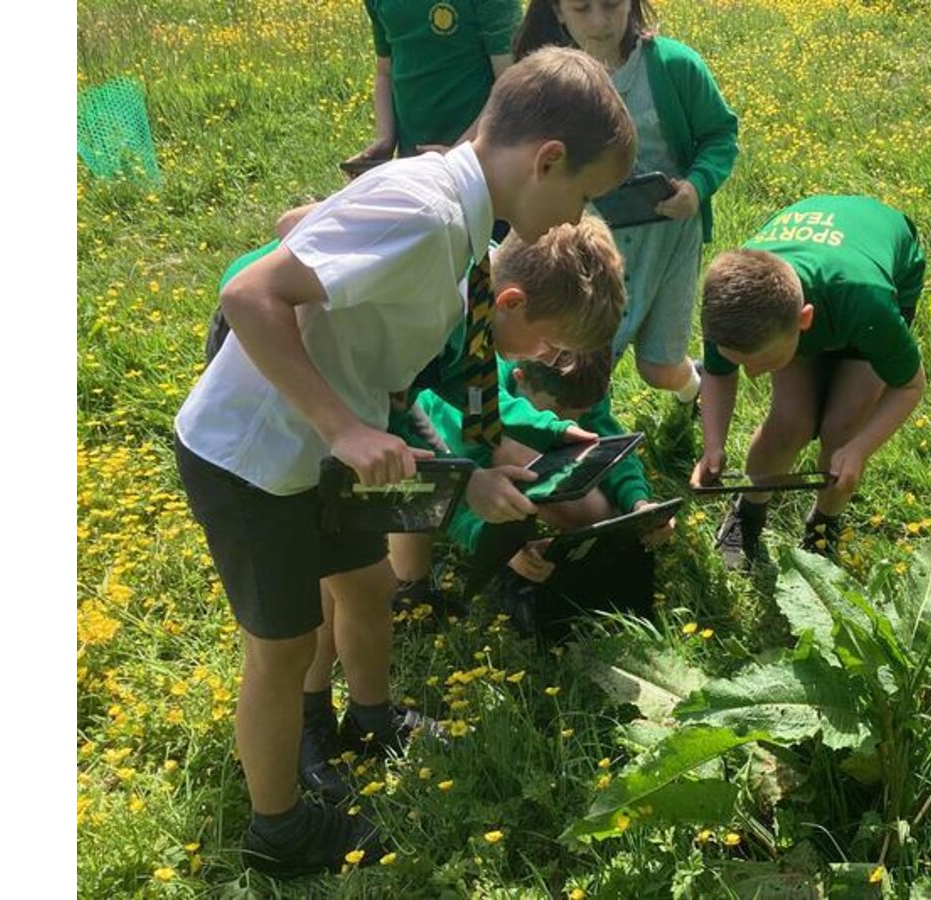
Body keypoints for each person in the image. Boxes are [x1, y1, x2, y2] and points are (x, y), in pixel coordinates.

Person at [172, 47, 635, 878]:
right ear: (547, 159)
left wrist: (476, 473)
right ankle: (280, 830)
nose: (578, 213)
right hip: (254, 454)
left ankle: (371, 719)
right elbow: (249, 295)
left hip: (315, 452)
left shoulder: (462, 224)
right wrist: (343, 429)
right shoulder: (425, 210)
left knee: (367, 587)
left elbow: (311, 236)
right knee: (284, 647)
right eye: (584, 193)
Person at [513, 0, 737, 407]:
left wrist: (696, 187)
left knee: (659, 368)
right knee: (581, 365)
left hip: (669, 238)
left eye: (612, 5)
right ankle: (580, 437)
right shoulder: (551, 84)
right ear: (558, 12)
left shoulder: (673, 66)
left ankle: (695, 389)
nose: (599, 22)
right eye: (581, 9)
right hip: (591, 247)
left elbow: (720, 134)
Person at [690, 195, 929, 570]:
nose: (754, 375)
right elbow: (719, 373)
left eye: (764, 362)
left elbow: (910, 386)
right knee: (789, 423)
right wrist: (713, 445)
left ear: (803, 320)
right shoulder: (729, 306)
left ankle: (823, 523)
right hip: (818, 293)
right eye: (743, 363)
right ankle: (748, 510)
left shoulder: (868, 303)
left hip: (859, 291)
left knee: (844, 428)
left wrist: (860, 448)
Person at [418, 346, 674, 636]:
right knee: (504, 453)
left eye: (579, 416)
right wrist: (498, 548)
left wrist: (638, 502)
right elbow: (444, 492)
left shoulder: (581, 382)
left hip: (469, 457)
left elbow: (611, 445)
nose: (565, 424)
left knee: (602, 516)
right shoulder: (469, 405)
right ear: (520, 378)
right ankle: (414, 587)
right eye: (556, 414)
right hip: (422, 457)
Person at [346, 0, 523, 167]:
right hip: (412, 163)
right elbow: (385, 72)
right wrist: (385, 138)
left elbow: (510, 86)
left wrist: (459, 153)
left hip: (480, 164)